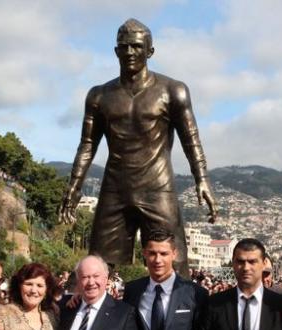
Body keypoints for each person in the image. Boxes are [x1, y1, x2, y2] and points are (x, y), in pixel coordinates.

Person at [59, 18, 217, 273]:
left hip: (158, 187)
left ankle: (187, 313)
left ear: (150, 51)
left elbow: (191, 139)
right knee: (94, 267)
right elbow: (87, 145)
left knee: (174, 264)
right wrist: (74, 188)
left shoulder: (172, 90)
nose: (130, 52)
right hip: (115, 188)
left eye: (136, 46)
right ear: (116, 51)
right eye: (124, 46)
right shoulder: (99, 95)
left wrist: (203, 179)